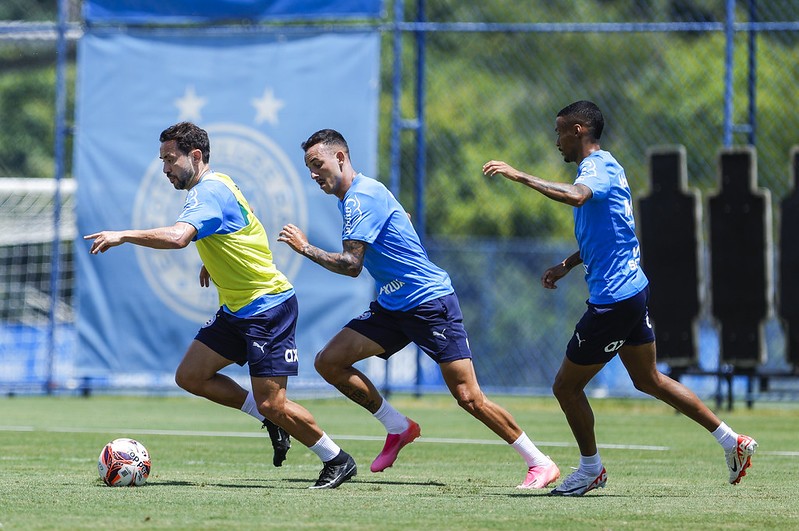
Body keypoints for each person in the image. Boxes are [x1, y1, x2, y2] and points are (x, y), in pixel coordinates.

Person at [482, 100, 757, 496]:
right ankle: (733, 442)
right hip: (630, 291)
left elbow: (577, 197)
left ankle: (591, 469)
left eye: (559, 131)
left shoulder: (595, 168)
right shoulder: (604, 168)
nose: (555, 140)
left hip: (613, 300)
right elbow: (611, 231)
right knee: (650, 380)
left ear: (578, 130)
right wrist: (569, 263)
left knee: (565, 387)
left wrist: (519, 175)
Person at [277, 128, 560, 490]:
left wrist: (304, 247)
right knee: (329, 361)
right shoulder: (359, 195)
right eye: (309, 168)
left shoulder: (360, 197)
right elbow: (399, 219)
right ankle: (398, 426)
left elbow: (351, 264)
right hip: (393, 307)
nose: (314, 174)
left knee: (468, 397)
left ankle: (540, 462)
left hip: (429, 304)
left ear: (341, 158)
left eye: (318, 164)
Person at [85, 122, 356, 489]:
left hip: (266, 309)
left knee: (273, 402)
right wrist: (212, 260)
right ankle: (269, 421)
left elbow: (180, 237)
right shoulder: (219, 185)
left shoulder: (208, 191)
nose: (165, 168)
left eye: (170, 159)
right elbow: (244, 225)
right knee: (191, 376)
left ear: (195, 156)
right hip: (237, 309)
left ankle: (336, 459)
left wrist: (123, 235)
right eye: (162, 160)